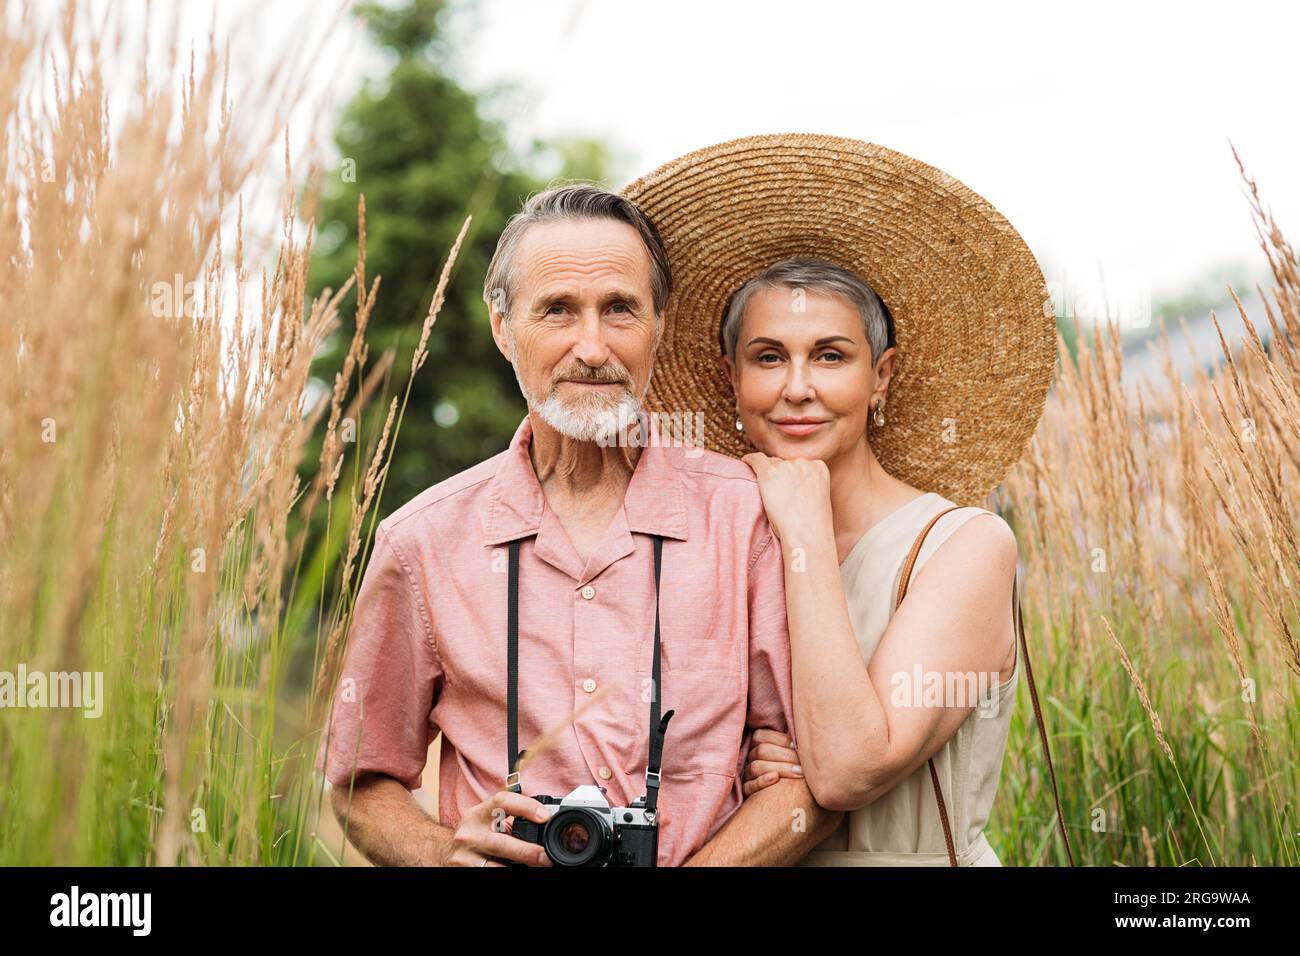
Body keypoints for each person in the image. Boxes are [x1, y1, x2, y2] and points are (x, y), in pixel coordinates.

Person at [316, 183, 843, 866]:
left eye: (619, 309)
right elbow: (360, 779)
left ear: (659, 323)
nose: (591, 347)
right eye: (558, 310)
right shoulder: (421, 541)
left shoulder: (748, 517)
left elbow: (819, 778)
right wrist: (441, 857)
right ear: (503, 327)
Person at [622, 134, 1071, 865]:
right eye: (769, 357)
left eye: (831, 355)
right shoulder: (709, 543)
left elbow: (849, 768)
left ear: (881, 376)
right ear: (731, 377)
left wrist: (801, 526)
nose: (798, 387)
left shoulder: (962, 548)